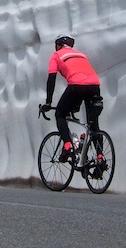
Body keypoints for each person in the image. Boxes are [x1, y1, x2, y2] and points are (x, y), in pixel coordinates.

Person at [40, 34, 103, 162]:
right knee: (93, 124)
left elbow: (51, 79)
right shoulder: (80, 54)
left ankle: (68, 146)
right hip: (94, 86)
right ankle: (100, 157)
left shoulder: (56, 55)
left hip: (76, 86)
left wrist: (48, 102)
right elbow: (85, 77)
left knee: (60, 114)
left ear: (57, 45)